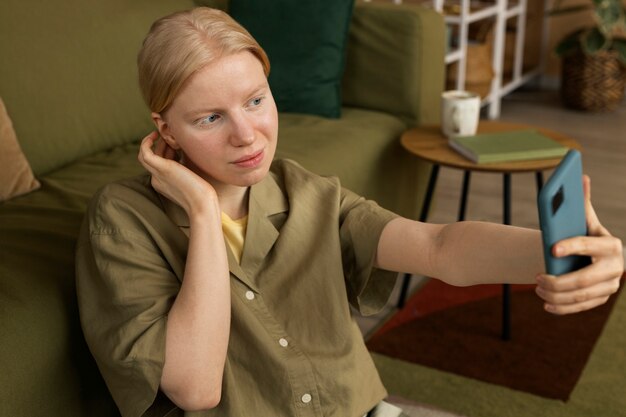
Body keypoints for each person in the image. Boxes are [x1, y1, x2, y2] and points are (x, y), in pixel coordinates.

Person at [75, 7, 624, 417]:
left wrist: (557, 253)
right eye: (210, 119)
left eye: (256, 100)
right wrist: (200, 210)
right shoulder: (123, 220)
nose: (248, 136)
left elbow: (438, 248)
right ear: (164, 128)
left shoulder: (305, 191)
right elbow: (196, 388)